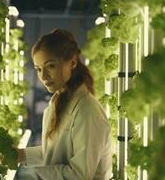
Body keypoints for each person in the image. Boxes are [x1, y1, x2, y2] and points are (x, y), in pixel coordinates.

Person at [15, 29, 112, 180]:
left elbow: (79, 175)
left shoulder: (87, 110)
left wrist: (30, 174)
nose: (43, 76)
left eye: (51, 66)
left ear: (72, 62)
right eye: (39, 69)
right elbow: (55, 154)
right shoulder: (59, 101)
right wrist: (21, 155)